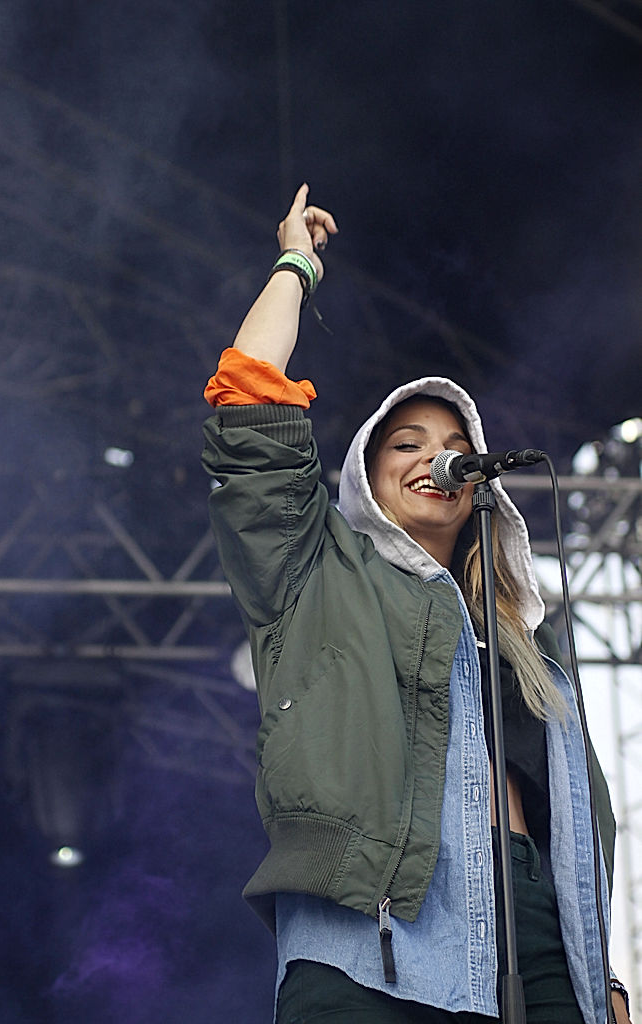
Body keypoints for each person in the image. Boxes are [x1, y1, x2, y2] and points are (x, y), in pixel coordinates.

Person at [202, 185, 631, 1024]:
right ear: (366, 475)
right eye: (408, 444)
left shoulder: (526, 639)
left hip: (538, 933)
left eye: (455, 448)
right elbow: (247, 403)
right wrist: (295, 265)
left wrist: (602, 973)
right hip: (375, 934)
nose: (436, 459)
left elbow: (572, 821)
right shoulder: (315, 574)